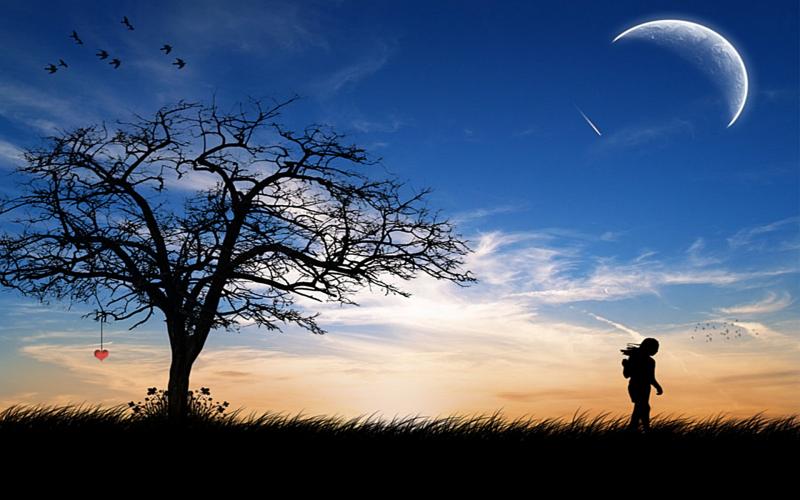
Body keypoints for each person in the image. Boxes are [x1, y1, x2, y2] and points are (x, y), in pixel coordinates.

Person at [621, 338, 663, 432]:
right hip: (636, 386)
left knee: (643, 408)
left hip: (645, 387)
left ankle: (638, 428)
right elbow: (627, 375)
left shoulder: (651, 361)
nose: (657, 351)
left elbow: (651, 378)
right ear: (648, 348)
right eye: (655, 348)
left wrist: (658, 387)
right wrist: (625, 366)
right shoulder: (636, 358)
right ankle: (641, 429)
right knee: (642, 407)